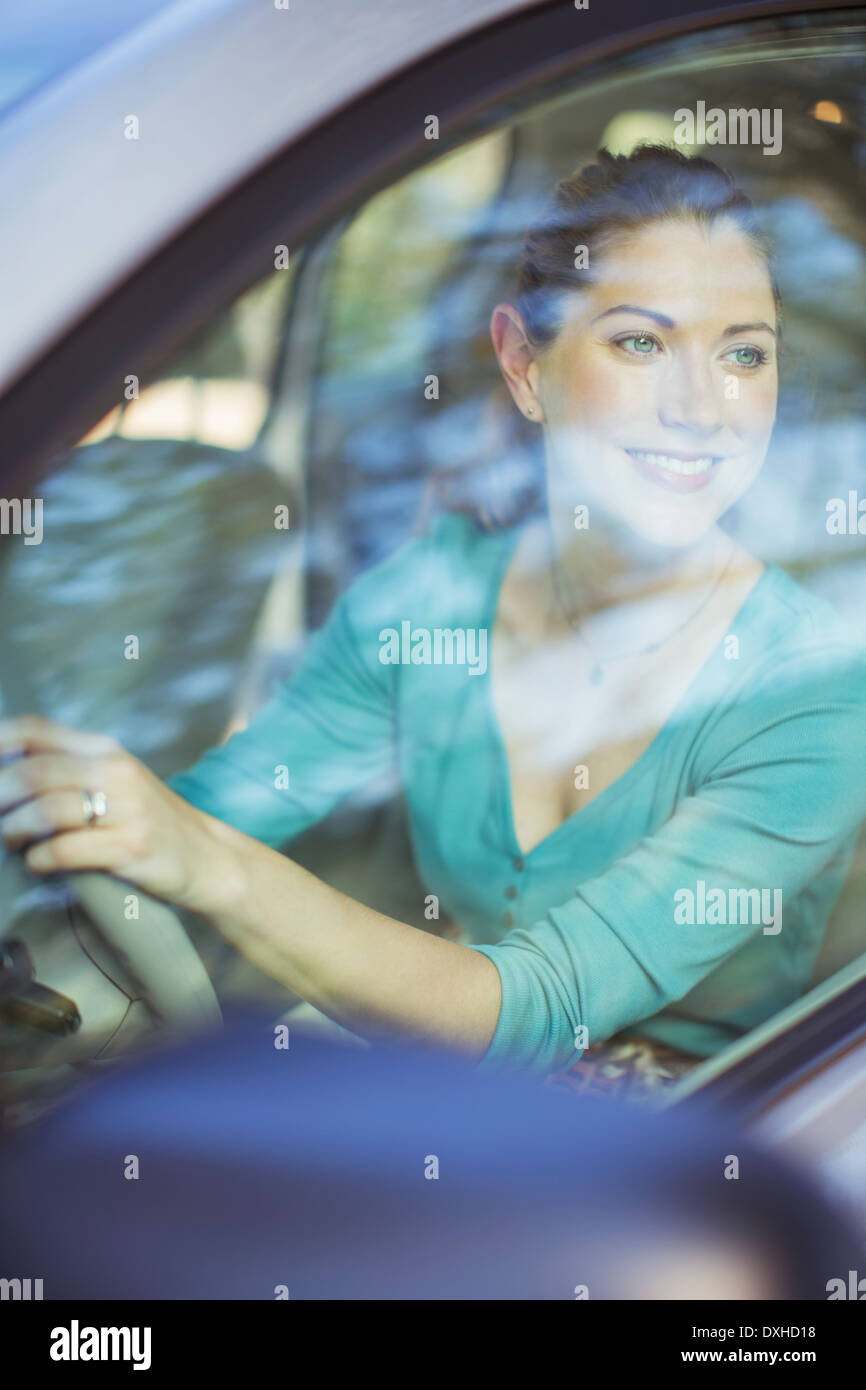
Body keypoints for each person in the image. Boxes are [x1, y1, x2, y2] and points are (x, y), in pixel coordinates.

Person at [1, 146, 865, 1080]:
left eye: (745, 353)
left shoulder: (814, 694)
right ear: (523, 364)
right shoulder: (430, 601)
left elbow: (533, 1010)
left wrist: (206, 863)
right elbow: (218, 812)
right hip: (455, 1107)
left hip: (716, 1143)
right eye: (641, 343)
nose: (704, 409)